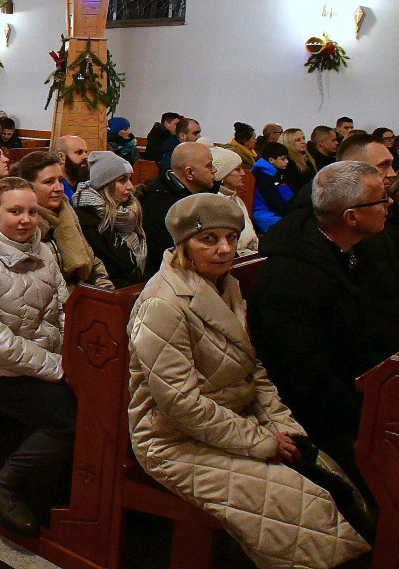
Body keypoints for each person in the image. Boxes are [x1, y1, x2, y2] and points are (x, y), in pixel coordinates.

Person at [129, 193, 371, 567]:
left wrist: (282, 427)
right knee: (296, 500)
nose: (224, 249)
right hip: (172, 439)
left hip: (232, 423)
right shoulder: (163, 303)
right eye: (208, 239)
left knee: (328, 474)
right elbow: (180, 405)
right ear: (183, 245)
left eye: (230, 237)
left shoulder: (227, 285)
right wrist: (261, 442)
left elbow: (254, 371)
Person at [250, 161, 399, 498]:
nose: (389, 205)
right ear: (351, 217)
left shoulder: (365, 245)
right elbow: (307, 381)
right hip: (326, 417)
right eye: (381, 200)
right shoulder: (291, 280)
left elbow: (383, 322)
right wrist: (375, 415)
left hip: (370, 389)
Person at [0, 177, 76, 537]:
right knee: (69, 415)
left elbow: (63, 307)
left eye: (32, 212)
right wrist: (55, 367)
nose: (25, 220)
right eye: (15, 211)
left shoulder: (44, 251)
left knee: (93, 397)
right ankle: (4, 484)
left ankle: (52, 493)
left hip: (37, 362)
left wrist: (71, 357)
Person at [13, 151, 114, 289]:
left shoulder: (67, 213)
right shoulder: (21, 225)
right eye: (49, 182)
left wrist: (106, 293)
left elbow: (92, 262)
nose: (59, 188)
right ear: (27, 187)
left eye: (60, 180)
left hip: (80, 298)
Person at [68, 151, 147, 288]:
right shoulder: (86, 220)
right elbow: (110, 269)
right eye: (122, 180)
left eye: (130, 179)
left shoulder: (131, 213)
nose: (130, 186)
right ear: (105, 185)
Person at [137, 142, 216, 276]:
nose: (214, 169)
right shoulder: (159, 203)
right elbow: (168, 256)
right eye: (209, 165)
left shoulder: (201, 195)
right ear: (189, 173)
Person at [209, 147, 259, 255]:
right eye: (237, 169)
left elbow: (252, 238)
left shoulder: (237, 200)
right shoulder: (216, 204)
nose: (243, 173)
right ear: (222, 175)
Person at [250, 142, 294, 233]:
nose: (287, 161)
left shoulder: (276, 173)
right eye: (283, 159)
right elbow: (277, 204)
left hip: (276, 214)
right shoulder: (264, 177)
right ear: (271, 160)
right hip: (266, 218)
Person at [280, 127, 317, 192]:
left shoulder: (308, 159)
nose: (303, 142)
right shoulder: (288, 163)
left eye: (303, 138)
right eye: (298, 140)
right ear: (288, 142)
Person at [54, 135, 89, 201]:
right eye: (79, 152)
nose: (85, 156)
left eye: (86, 152)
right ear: (61, 157)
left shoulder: (88, 182)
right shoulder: (56, 189)